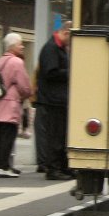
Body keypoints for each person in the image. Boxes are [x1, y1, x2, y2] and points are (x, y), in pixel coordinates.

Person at [0, 33, 32, 178]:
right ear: (13, 46)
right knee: (8, 136)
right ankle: (4, 167)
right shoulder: (17, 63)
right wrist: (26, 94)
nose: (22, 46)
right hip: (11, 104)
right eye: (20, 44)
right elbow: (25, 86)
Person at [36, 20, 73, 181]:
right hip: (53, 100)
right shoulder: (51, 49)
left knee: (61, 135)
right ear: (65, 33)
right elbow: (51, 73)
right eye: (71, 39)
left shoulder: (58, 48)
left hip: (58, 99)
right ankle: (53, 169)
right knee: (55, 136)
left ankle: (62, 167)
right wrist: (71, 72)